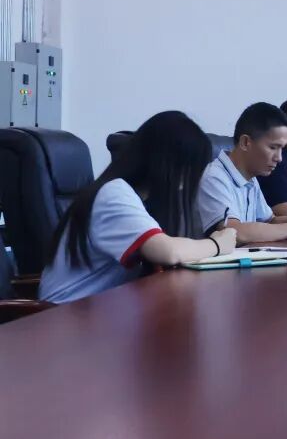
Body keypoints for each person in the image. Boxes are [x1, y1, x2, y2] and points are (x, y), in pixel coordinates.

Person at [39, 111, 237, 304]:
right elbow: (168, 251)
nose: (193, 179)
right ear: (168, 163)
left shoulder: (139, 198)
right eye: (191, 169)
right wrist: (217, 244)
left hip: (98, 309)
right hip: (63, 316)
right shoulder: (113, 194)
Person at [196, 102, 287, 242]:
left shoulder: (250, 177)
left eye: (282, 149)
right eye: (273, 147)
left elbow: (269, 221)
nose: (279, 158)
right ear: (245, 142)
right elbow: (233, 232)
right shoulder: (214, 177)